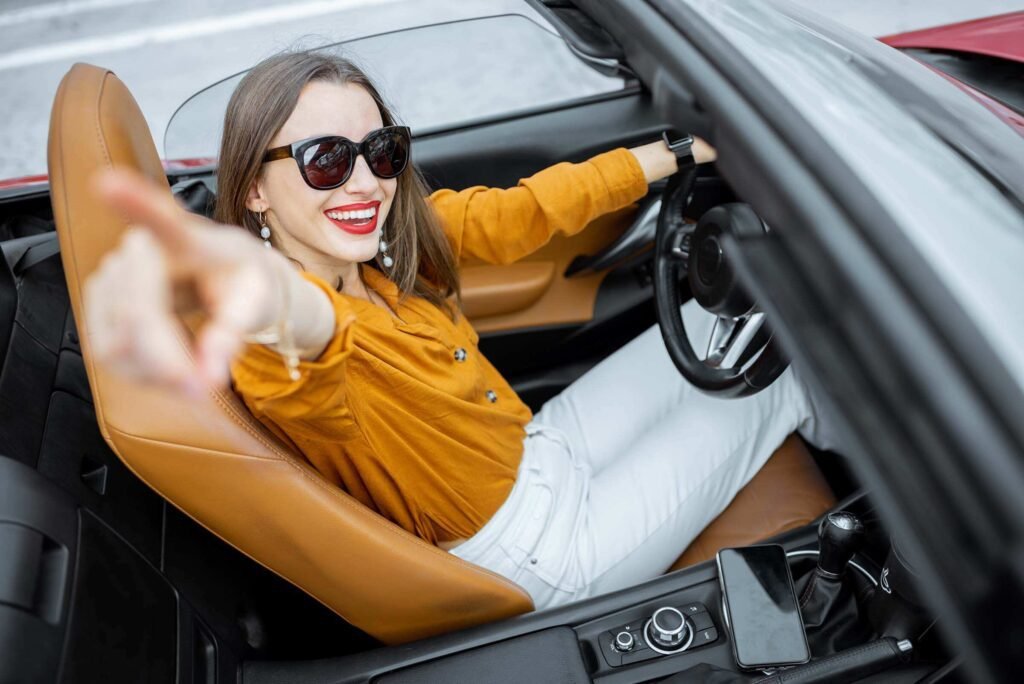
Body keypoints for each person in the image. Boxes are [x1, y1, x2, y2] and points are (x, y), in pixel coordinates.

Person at [86, 51, 823, 610]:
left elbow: (520, 212)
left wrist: (677, 154)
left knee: (733, 316)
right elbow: (304, 339)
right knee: (784, 371)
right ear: (252, 188)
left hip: (538, 446)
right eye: (325, 161)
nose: (365, 183)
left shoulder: (383, 253)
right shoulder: (292, 342)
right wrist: (261, 290)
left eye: (381, 152)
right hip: (542, 549)